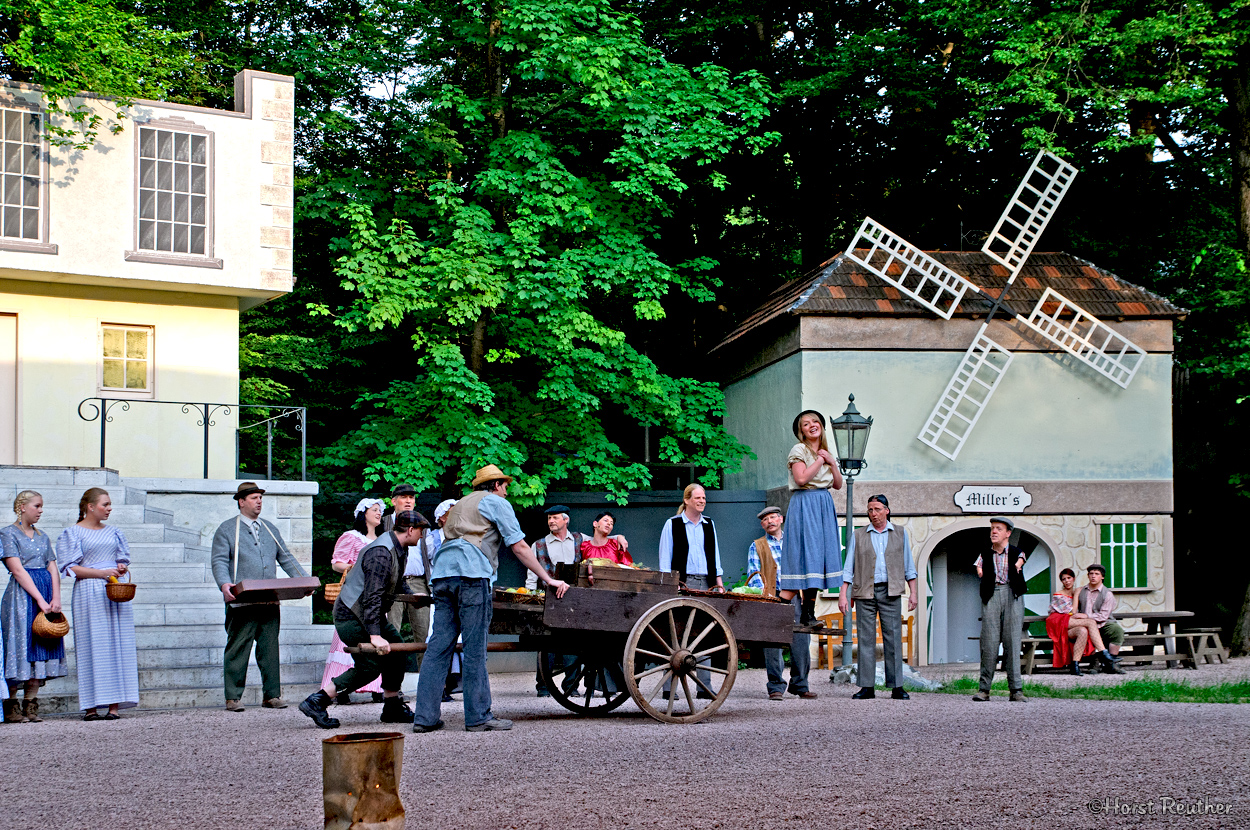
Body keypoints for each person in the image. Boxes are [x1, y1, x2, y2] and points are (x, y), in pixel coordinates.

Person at [412, 464, 570, 733]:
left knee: (438, 647)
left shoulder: (460, 504)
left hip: (442, 576)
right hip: (472, 576)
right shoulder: (495, 502)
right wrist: (549, 578)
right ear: (496, 485)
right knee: (475, 648)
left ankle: (424, 718)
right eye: (506, 487)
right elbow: (519, 545)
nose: (507, 493)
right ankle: (478, 717)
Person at [299, 510, 428, 728]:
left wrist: (413, 596)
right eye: (421, 532)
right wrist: (375, 635)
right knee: (370, 665)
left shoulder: (399, 548)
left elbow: (396, 583)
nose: (422, 537)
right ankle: (317, 700)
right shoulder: (381, 552)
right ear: (411, 530)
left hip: (368, 613)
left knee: (397, 651)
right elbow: (371, 596)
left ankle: (392, 706)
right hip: (351, 614)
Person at [211, 481, 308, 712]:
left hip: (269, 600)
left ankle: (272, 696)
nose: (259, 501)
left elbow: (286, 558)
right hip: (242, 602)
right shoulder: (226, 529)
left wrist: (304, 580)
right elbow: (219, 561)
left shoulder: (270, 529)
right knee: (238, 648)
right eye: (254, 498)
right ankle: (233, 697)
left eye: (260, 498)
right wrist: (224, 585)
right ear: (241, 502)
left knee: (270, 648)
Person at [56, 488, 139, 720]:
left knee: (117, 644)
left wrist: (119, 568)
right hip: (89, 589)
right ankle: (91, 706)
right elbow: (71, 567)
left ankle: (114, 705)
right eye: (105, 504)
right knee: (92, 644)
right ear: (90, 507)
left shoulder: (114, 532)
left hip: (114, 589)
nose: (109, 508)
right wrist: (100, 572)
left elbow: (121, 559)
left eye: (110, 504)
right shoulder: (73, 533)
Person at [838, 494, 917, 700]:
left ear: (887, 510)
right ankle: (867, 687)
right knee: (865, 639)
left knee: (893, 638)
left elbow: (909, 565)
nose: (873, 513)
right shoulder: (858, 535)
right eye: (870, 510)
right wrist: (843, 595)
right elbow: (849, 567)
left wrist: (913, 593)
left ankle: (897, 686)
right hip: (865, 591)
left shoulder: (900, 533)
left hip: (891, 591)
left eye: (877, 509)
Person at [1, 490, 66, 723]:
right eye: (37, 506)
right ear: (22, 507)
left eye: (41, 506)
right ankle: (11, 705)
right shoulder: (8, 534)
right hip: (21, 596)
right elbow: (17, 569)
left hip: (46, 592)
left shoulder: (42, 536)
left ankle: (31, 702)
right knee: (19, 644)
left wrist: (55, 597)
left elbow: (52, 567)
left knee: (41, 642)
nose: (40, 511)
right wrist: (39, 599)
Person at [779, 410, 845, 626]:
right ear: (802, 432)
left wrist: (832, 463)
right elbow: (800, 478)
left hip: (823, 504)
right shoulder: (799, 449)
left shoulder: (826, 451)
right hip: (805, 502)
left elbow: (837, 484)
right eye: (806, 424)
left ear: (821, 426)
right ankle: (779, 616)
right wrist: (819, 461)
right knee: (804, 554)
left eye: (815, 422)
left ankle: (809, 614)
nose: (812, 425)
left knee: (817, 557)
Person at [321, 498, 388, 701]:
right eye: (374, 510)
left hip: (375, 595)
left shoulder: (381, 539)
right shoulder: (351, 537)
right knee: (350, 642)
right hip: (353, 599)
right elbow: (336, 563)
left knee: (378, 636)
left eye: (380, 510)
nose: (378, 513)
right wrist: (355, 569)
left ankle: (377, 687)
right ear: (363, 514)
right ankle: (341, 689)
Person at [747, 506, 814, 701]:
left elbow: (805, 567)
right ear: (762, 525)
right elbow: (754, 575)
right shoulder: (757, 545)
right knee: (772, 643)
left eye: (773, 517)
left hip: (796, 596)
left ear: (781, 519)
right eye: (765, 519)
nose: (770, 521)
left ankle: (800, 685)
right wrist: (765, 595)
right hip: (772, 597)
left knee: (801, 640)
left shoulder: (794, 542)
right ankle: (775, 686)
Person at [529, 504, 586, 697]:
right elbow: (531, 578)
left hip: (575, 600)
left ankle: (572, 687)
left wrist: (618, 537)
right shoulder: (538, 545)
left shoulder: (579, 539)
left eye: (555, 518)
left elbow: (601, 540)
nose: (551, 521)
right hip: (548, 601)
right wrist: (530, 599)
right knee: (547, 645)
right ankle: (543, 687)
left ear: (566, 520)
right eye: (549, 518)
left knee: (574, 644)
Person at [972, 517, 1028, 702]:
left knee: (1012, 641)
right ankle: (984, 689)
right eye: (992, 529)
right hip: (992, 594)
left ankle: (1016, 690)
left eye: (998, 529)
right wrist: (980, 572)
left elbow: (1021, 560)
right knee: (989, 642)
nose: (993, 532)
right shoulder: (985, 553)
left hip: (1013, 594)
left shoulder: (1015, 552)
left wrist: (1018, 565)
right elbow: (978, 566)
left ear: (1008, 533)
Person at [1046, 568, 1123, 675]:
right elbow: (1072, 612)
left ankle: (1075, 666)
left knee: (1083, 631)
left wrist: (1077, 594)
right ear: (1061, 581)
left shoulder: (1079, 591)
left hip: (1071, 622)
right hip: (1058, 621)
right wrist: (1077, 595)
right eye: (1064, 579)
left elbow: (1076, 613)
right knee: (1090, 622)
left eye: (1069, 578)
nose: (1067, 581)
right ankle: (1104, 654)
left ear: (1074, 579)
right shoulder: (1059, 594)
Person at [384, 484, 433, 654]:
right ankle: (390, 679)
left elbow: (429, 555)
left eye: (411, 497)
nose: (408, 501)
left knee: (424, 635)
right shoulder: (384, 523)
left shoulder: (422, 524)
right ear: (393, 501)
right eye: (404, 497)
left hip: (419, 582)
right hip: (392, 583)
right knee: (391, 632)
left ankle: (425, 679)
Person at [657, 484, 725, 592]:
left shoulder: (709, 524)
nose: (702, 501)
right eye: (697, 498)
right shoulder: (672, 524)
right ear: (686, 500)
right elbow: (665, 558)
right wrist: (670, 584)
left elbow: (715, 556)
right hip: (683, 583)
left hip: (708, 583)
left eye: (703, 498)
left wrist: (720, 585)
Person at [1076, 564, 1127, 673]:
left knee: (1117, 630)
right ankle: (1094, 663)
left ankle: (1111, 663)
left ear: (1102, 577)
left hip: (1103, 623)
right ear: (1088, 576)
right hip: (1086, 624)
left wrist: (1086, 616)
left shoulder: (1107, 594)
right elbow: (1075, 610)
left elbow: (1103, 616)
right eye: (1091, 574)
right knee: (1084, 631)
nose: (1093, 576)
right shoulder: (1081, 591)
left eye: (1097, 574)